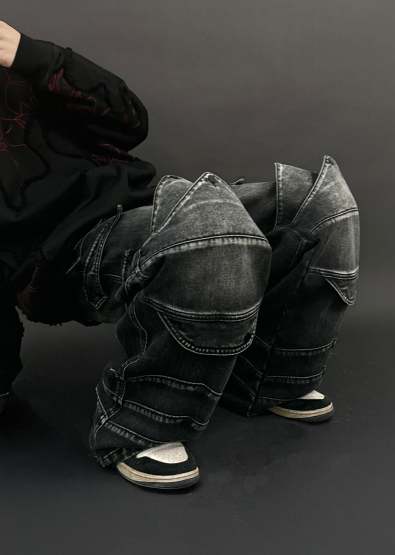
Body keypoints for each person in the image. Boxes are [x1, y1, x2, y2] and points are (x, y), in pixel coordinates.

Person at [0, 21, 360, 491]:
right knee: (212, 234)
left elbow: (130, 120)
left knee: (318, 203)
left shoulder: (21, 70)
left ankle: (271, 378)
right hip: (66, 255)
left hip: (143, 205)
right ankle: (141, 424)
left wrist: (28, 53)